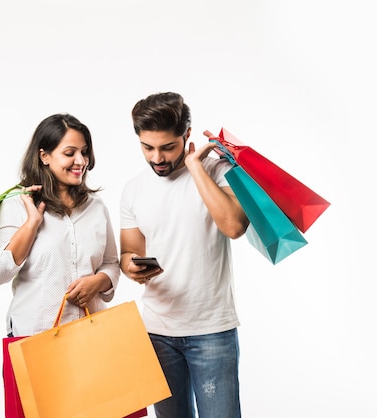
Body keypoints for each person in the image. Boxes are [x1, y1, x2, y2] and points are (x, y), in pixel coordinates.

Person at [119, 92, 250, 418]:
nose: (157, 157)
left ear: (186, 135)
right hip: (158, 332)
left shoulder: (217, 170)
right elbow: (130, 251)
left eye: (167, 147)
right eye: (147, 147)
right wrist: (130, 267)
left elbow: (234, 225)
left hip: (212, 331)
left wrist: (195, 167)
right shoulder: (134, 189)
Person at [0, 113, 120, 338]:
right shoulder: (16, 204)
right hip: (35, 337)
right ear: (44, 156)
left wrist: (98, 282)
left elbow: (111, 263)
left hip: (91, 338)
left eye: (84, 152)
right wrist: (31, 224)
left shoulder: (96, 207)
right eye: (70, 153)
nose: (81, 161)